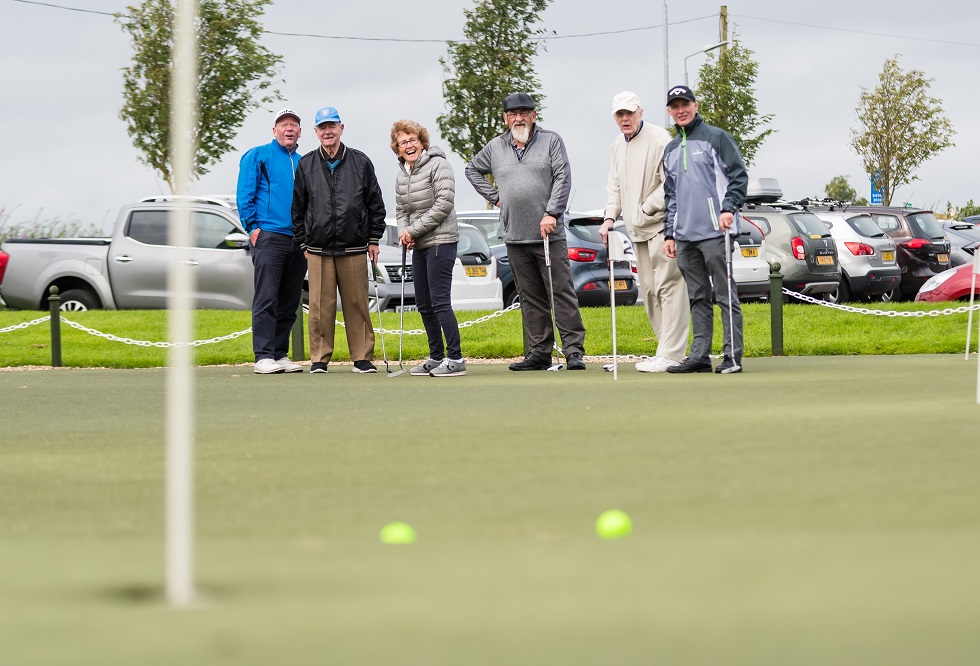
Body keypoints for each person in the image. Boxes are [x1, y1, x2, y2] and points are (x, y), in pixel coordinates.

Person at [465, 92, 587, 371]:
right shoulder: (496, 147)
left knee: (560, 293)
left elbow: (562, 177)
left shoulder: (551, 141)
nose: (518, 118)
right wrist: (495, 197)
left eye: (524, 112)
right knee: (530, 297)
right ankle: (540, 353)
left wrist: (552, 212)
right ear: (506, 119)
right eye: (513, 114)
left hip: (548, 235)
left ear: (534, 115)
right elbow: (472, 170)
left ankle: (573, 351)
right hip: (515, 236)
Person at [291, 106, 386, 374]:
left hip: (354, 246)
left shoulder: (361, 161)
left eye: (332, 126)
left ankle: (362, 357)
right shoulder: (306, 164)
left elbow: (375, 205)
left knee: (357, 303)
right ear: (316, 132)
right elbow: (298, 209)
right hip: (318, 248)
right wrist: (303, 242)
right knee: (320, 307)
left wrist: (374, 238)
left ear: (341, 128)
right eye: (322, 127)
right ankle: (320, 358)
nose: (328, 131)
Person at [599, 91, 690, 373]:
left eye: (629, 113)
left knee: (670, 287)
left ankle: (672, 353)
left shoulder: (660, 138)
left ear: (640, 112)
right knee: (649, 291)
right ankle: (665, 350)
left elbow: (671, 182)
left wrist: (646, 208)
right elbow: (614, 185)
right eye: (619, 114)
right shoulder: (617, 144)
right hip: (636, 231)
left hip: (662, 227)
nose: (624, 119)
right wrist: (609, 217)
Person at [662, 85, 748, 374]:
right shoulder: (671, 149)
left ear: (695, 105)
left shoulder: (717, 138)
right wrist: (669, 233)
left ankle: (732, 356)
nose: (680, 110)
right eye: (675, 106)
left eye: (685, 104)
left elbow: (738, 176)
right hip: (685, 237)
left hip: (716, 232)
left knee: (724, 294)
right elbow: (670, 195)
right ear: (670, 112)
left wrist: (728, 209)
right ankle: (699, 356)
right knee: (697, 297)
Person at [390, 119, 466, 377]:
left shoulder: (438, 165)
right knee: (423, 303)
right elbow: (401, 209)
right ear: (397, 148)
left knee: (440, 301)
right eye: (403, 142)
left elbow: (444, 203)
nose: (408, 145)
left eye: (412, 140)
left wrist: (413, 230)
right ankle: (436, 357)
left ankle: (455, 359)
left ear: (422, 142)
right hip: (420, 244)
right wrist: (404, 231)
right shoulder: (402, 173)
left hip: (441, 241)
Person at [237, 108, 308, 375]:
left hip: (297, 240)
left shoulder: (304, 162)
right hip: (268, 236)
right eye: (283, 124)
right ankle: (263, 356)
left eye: (294, 125)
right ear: (274, 130)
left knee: (289, 301)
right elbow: (245, 192)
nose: (289, 128)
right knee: (267, 298)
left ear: (300, 132)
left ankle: (280, 354)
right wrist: (252, 228)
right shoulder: (258, 155)